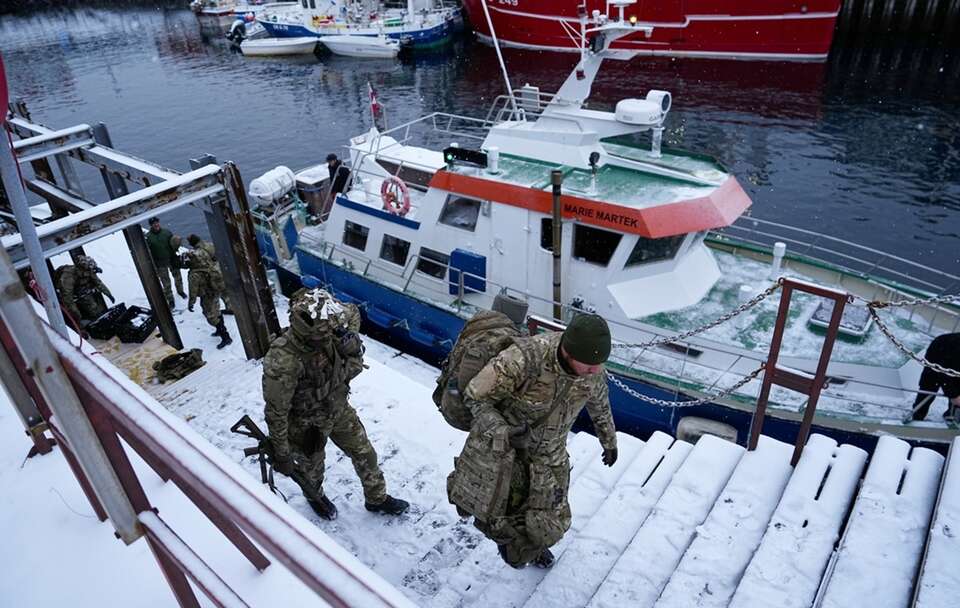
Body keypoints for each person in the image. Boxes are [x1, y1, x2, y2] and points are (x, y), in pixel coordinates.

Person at [448, 313, 618, 569]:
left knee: (552, 519)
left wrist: (609, 441)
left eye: (599, 364)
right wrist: (500, 430)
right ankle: (515, 545)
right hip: (510, 451)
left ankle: (533, 546)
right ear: (569, 352)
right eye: (589, 365)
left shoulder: (592, 368)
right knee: (504, 514)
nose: (595, 371)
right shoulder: (524, 358)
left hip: (552, 454)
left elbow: (599, 403)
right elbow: (475, 395)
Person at [262, 288, 409, 520]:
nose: (331, 335)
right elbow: (276, 412)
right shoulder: (283, 361)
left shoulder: (329, 321)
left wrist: (352, 338)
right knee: (312, 471)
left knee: (365, 454)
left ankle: (377, 498)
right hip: (306, 424)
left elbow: (352, 313)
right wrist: (282, 454)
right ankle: (315, 496)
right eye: (325, 333)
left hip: (338, 408)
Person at [181, 246, 232, 349]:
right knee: (216, 311)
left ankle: (225, 337)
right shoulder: (206, 265)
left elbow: (193, 291)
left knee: (210, 316)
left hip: (207, 295)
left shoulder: (194, 274)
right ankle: (220, 331)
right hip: (215, 291)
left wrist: (191, 303)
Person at [911, 332, 960, 422]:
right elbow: (943, 374)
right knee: (929, 388)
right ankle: (917, 417)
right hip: (938, 356)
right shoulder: (949, 345)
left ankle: (951, 416)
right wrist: (953, 395)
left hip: (952, 362)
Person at [55, 255, 115, 325]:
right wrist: (77, 316)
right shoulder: (69, 276)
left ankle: (98, 320)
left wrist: (109, 294)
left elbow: (99, 284)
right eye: (89, 271)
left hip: (81, 290)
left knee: (95, 309)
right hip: (68, 294)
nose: (91, 273)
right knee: (76, 313)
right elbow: (68, 298)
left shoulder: (88, 271)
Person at [145, 217, 185, 307]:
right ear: (151, 225)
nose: (156, 224)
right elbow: (148, 252)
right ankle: (170, 299)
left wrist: (178, 243)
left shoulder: (166, 232)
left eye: (157, 222)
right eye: (154, 224)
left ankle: (180, 291)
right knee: (166, 282)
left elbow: (173, 243)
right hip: (160, 262)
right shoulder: (148, 237)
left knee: (178, 277)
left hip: (172, 258)